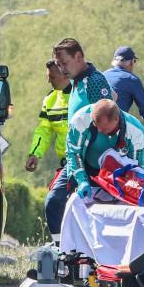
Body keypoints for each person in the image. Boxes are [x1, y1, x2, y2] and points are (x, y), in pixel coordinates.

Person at [45, 38, 115, 242]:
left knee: (73, 205)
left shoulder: (94, 81)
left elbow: (108, 117)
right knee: (54, 201)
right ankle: (62, 251)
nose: (61, 69)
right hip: (76, 156)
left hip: (94, 160)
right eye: (58, 64)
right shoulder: (76, 81)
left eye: (64, 63)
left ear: (78, 57)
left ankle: (83, 256)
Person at [25, 61, 70, 174]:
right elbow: (44, 130)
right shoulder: (50, 99)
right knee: (53, 193)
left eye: (52, 77)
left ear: (65, 75)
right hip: (67, 164)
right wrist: (35, 154)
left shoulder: (83, 94)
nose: (49, 81)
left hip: (89, 163)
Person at [103, 46, 144, 129]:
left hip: (95, 125)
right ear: (131, 62)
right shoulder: (132, 79)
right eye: (134, 61)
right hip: (115, 128)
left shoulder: (102, 75)